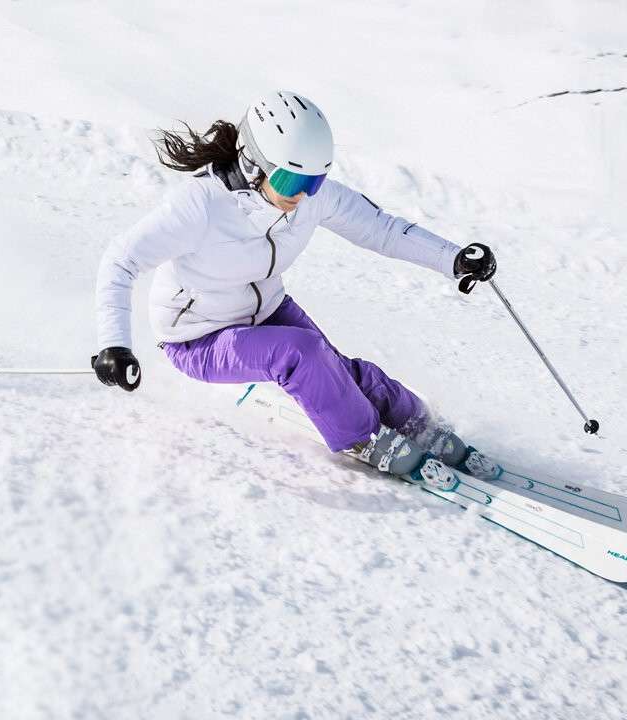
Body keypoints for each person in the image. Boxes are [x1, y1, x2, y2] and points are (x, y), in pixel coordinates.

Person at [90, 90, 499, 486]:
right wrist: (115, 345)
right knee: (301, 354)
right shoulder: (200, 206)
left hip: (267, 309)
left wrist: (453, 258)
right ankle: (364, 438)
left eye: (314, 181)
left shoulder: (307, 199)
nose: (303, 195)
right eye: (290, 180)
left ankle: (417, 424)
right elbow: (121, 260)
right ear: (253, 164)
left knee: (338, 370)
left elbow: (381, 229)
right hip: (197, 338)